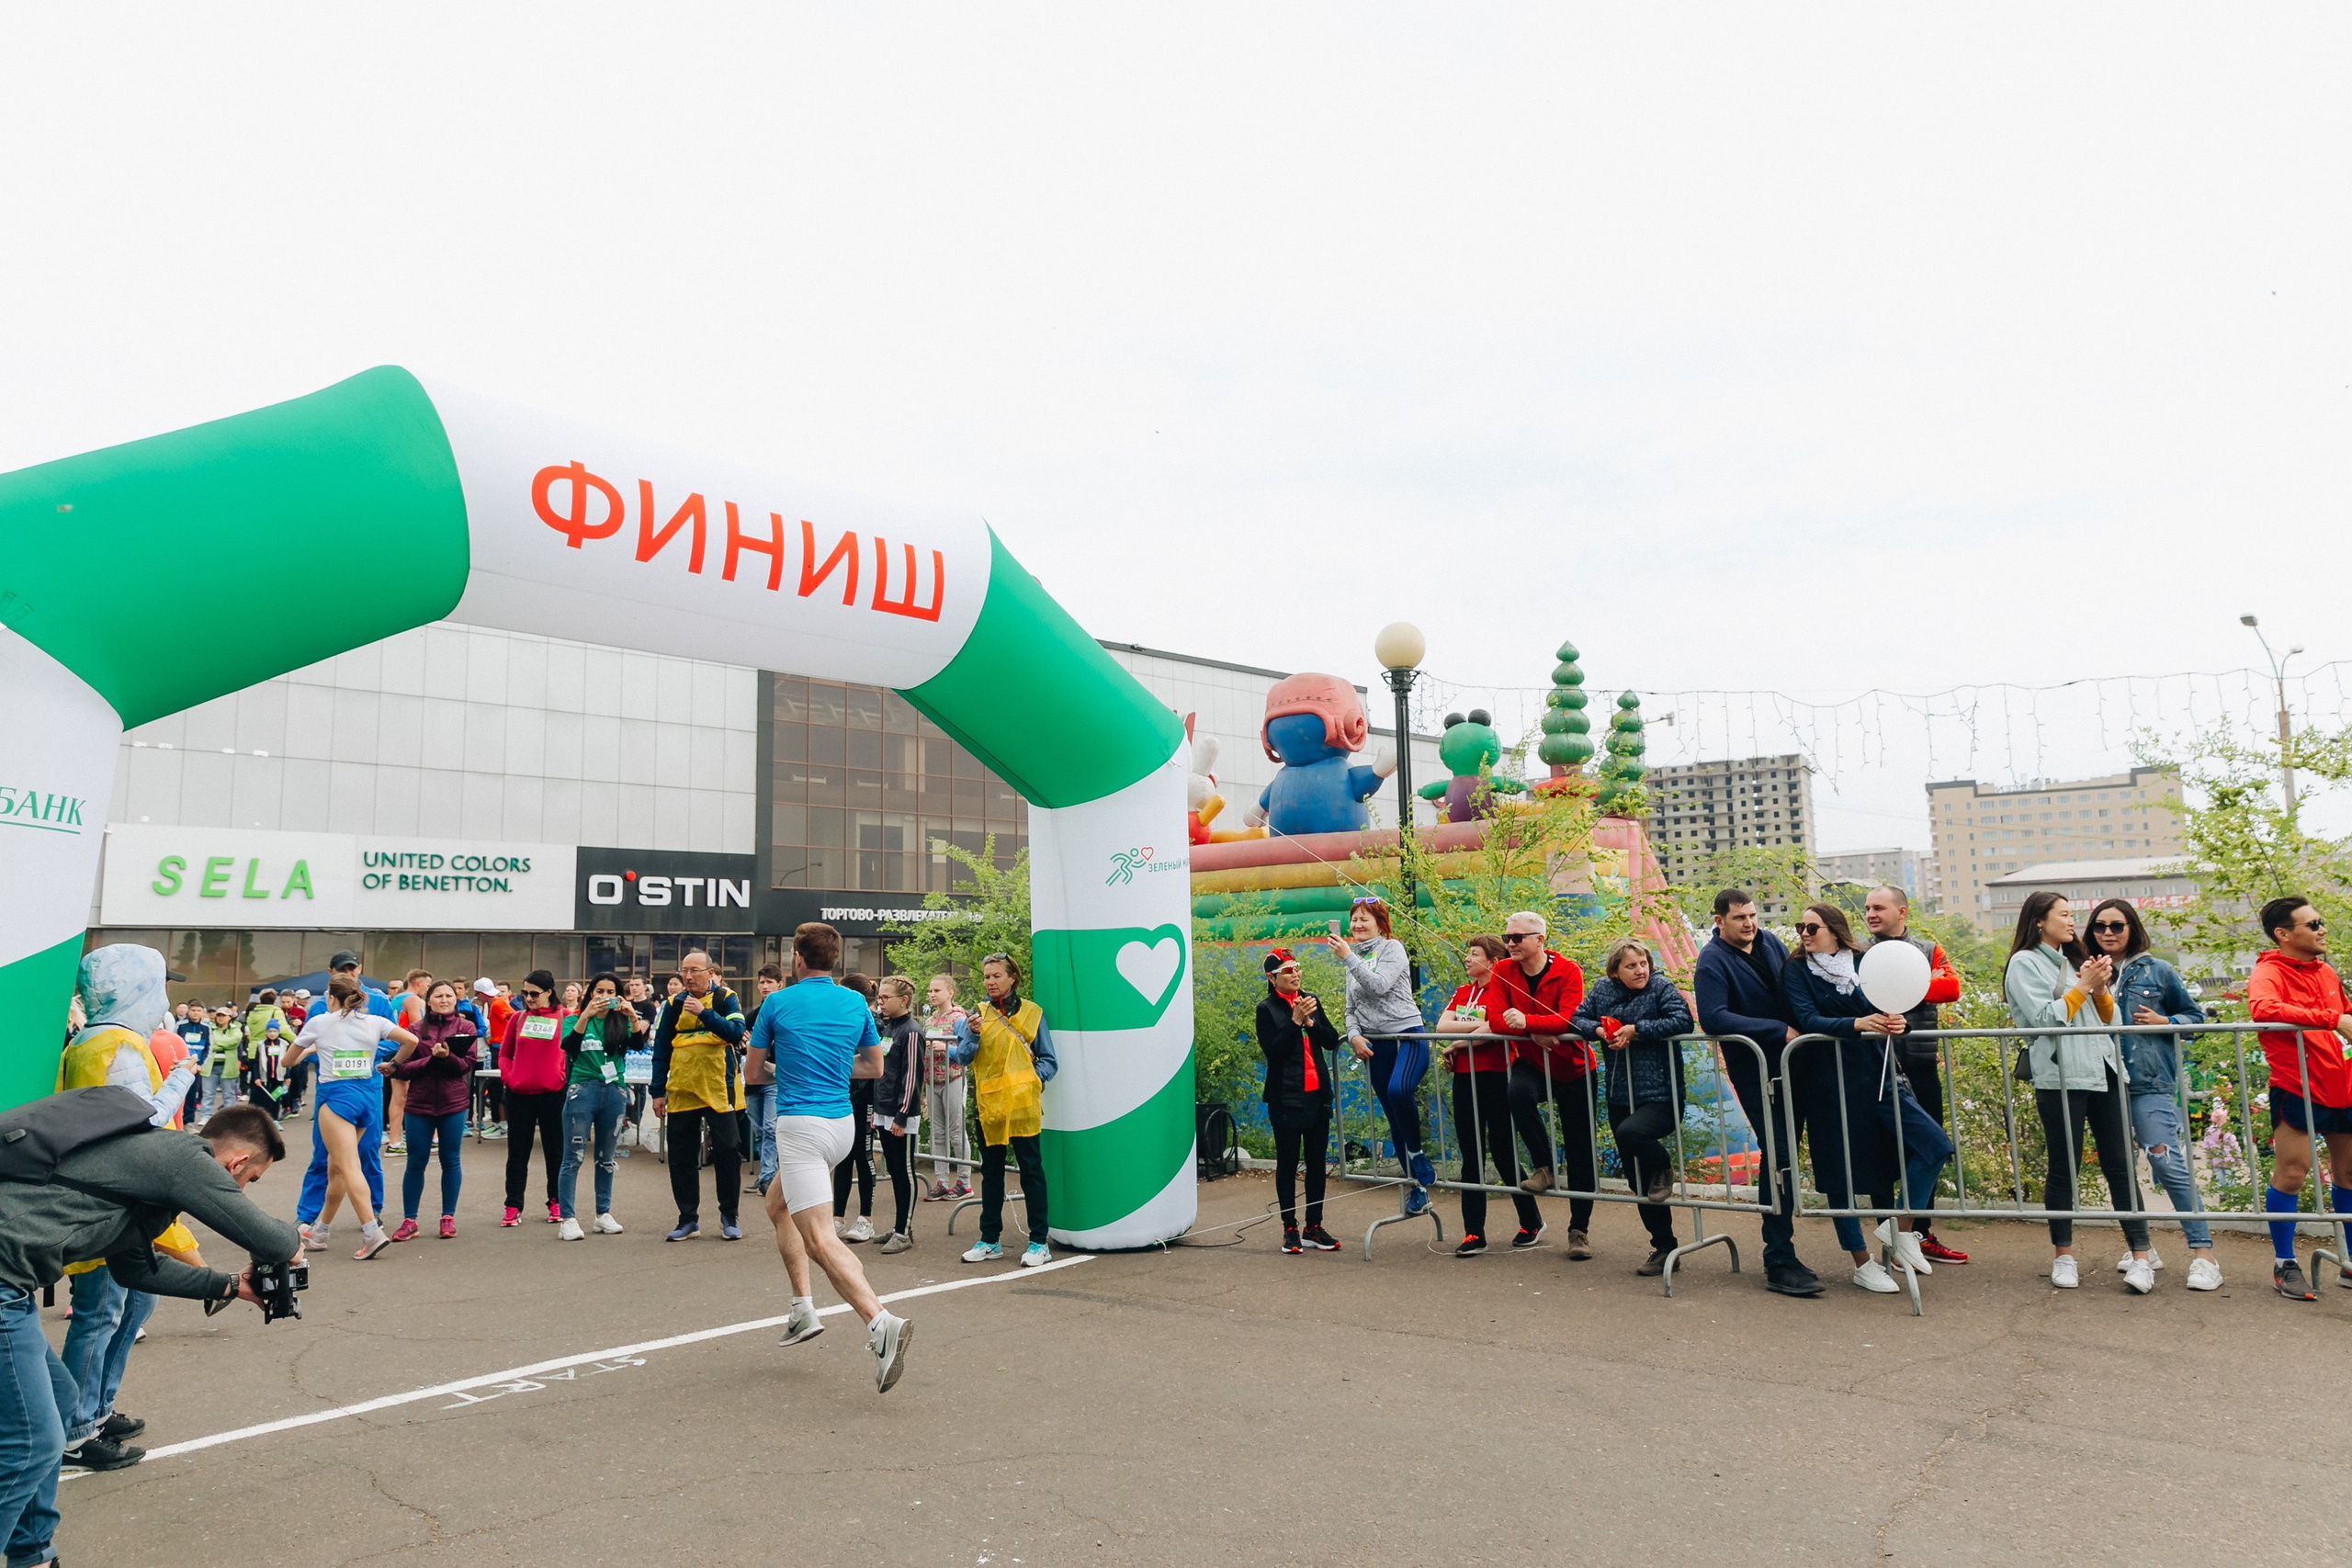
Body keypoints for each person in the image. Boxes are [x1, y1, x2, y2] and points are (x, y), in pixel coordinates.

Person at [0, 1101, 300, 1568]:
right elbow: (274, 1241)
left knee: (58, 1405)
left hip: (10, 1288)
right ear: (237, 1162)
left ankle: (32, 1554)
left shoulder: (149, 1174)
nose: (242, 1189)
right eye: (251, 1179)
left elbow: (135, 1269)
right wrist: (294, 1244)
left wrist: (229, 1285)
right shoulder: (181, 1158)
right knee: (33, 1442)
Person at [51, 946, 205, 1474]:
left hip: (116, 1199)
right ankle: (77, 1430)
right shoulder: (114, 1044)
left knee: (133, 1304)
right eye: (160, 984)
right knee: (101, 1313)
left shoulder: (96, 1041)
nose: (164, 998)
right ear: (136, 988)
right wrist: (182, 1076)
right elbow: (141, 1121)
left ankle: (95, 1409)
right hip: (106, 1204)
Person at [747, 922, 913, 1392]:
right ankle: (802, 1308)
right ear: (835, 960)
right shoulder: (855, 1002)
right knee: (778, 1205)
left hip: (801, 1127)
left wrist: (786, 1069)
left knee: (820, 1240)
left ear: (797, 958)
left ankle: (881, 1322)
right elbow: (873, 1067)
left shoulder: (777, 1002)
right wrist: (830, 1071)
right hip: (841, 1125)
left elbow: (754, 1074)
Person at [1782, 903, 1954, 1295]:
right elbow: (1807, 1019)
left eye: (1812, 927)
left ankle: (1900, 1228)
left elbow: (1891, 1003)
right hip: (1827, 1079)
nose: (1804, 933)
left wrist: (1899, 1022)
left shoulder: (1864, 959)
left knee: (1935, 1145)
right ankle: (1862, 1262)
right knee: (1839, 1173)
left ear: (1834, 929)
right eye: (1800, 926)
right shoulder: (1797, 969)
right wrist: (1857, 1023)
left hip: (1878, 1072)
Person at [2002, 891, 2154, 1293]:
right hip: (2060, 1074)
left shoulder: (2076, 960)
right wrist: (2084, 985)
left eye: (2072, 915)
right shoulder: (2024, 962)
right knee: (2063, 1167)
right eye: (2064, 915)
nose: (2073, 922)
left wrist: (2099, 988)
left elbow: (2111, 1020)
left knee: (2121, 1166)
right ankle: (2064, 1256)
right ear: (2039, 921)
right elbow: (2042, 1020)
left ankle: (2141, 1258)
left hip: (2104, 1070)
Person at [2084, 897, 2221, 1291]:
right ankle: (2142, 1248)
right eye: (2099, 926)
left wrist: (2166, 1020)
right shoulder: (2087, 970)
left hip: (2149, 1080)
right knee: (2120, 1169)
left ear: (2132, 929)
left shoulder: (2158, 970)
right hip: (2102, 1081)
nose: (2108, 933)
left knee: (2165, 1161)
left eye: (2117, 926)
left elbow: (2195, 1020)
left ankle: (2204, 1255)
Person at [1693, 888, 1824, 1297]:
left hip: (1795, 1065)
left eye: (1752, 915)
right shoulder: (1711, 960)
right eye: (1739, 918)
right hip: (1757, 1073)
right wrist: (1777, 1030)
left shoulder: (1769, 942)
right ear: (1719, 921)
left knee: (1788, 1156)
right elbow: (1713, 1017)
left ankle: (1786, 1251)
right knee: (1779, 1155)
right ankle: (1778, 1258)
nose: (1749, 923)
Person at [2245, 896, 2352, 1301]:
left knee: (2349, 1175)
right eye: (2314, 924)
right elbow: (2263, 1008)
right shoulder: (2268, 971)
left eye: (2321, 922)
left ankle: (2349, 1263)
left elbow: (2347, 1020)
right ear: (2284, 934)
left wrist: (2340, 1021)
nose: (2323, 929)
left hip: (2343, 1085)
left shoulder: (2326, 971)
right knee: (2293, 1172)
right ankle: (2284, 1263)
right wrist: (2332, 1019)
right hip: (2297, 1086)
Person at [1571, 939, 1695, 1275]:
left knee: (1631, 1134)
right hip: (1619, 1095)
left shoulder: (1660, 986)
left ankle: (1664, 1166)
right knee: (1638, 1181)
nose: (1640, 970)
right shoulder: (1602, 989)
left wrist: (1636, 1030)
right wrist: (1600, 1030)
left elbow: (1683, 1021)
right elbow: (1576, 1019)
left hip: (1661, 1095)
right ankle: (1664, 1246)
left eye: (1643, 964)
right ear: (1615, 971)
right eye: (1631, 966)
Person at [1860, 886, 1969, 1265]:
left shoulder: (1928, 949)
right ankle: (1890, 1240)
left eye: (1879, 907)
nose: (1871, 914)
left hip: (1920, 1066)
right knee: (1881, 1157)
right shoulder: (1858, 952)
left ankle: (1919, 1234)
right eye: (1867, 908)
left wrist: (1898, 985)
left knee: (1928, 1149)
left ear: (1902, 911)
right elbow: (1858, 995)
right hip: (1878, 1068)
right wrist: (1919, 984)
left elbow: (1951, 987)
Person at [284, 976, 416, 1260]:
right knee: (337, 1168)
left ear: (331, 998)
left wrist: (310, 1049)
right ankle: (321, 1231)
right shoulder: (375, 1021)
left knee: (349, 1166)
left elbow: (287, 1061)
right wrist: (394, 1065)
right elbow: (412, 1040)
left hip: (336, 1098)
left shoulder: (320, 1022)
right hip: (367, 1097)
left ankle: (372, 1232)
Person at [1488, 909, 1592, 1251]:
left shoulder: (1568, 970)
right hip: (1532, 1061)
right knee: (1517, 1093)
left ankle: (1578, 1231)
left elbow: (1570, 1019)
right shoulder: (1503, 970)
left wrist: (1527, 1022)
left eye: (1517, 937)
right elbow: (1496, 1020)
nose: (1510, 943)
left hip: (1574, 1066)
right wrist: (1533, 1032)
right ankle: (1544, 1166)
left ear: (1539, 940)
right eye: (1507, 937)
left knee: (1580, 1149)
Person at [1434, 934, 1544, 1257]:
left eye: (1474, 954)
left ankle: (1531, 1222)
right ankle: (1474, 1233)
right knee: (1471, 1156)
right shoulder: (1463, 991)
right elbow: (1442, 1026)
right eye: (1467, 953)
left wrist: (1458, 1043)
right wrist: (1476, 1032)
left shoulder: (1503, 990)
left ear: (1493, 962)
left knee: (1503, 1152)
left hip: (1498, 1076)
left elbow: (1496, 1029)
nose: (1467, 959)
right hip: (1464, 1078)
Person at [1326, 897, 1435, 1214]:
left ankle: (1417, 1155)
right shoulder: (1354, 957)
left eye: (1365, 919)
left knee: (1399, 1090)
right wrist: (1354, 1035)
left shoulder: (1392, 949)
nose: (1357, 925)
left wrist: (1348, 958)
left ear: (1380, 924)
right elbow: (1351, 1007)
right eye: (1354, 919)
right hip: (1376, 1045)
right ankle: (1418, 1188)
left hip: (1407, 1036)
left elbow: (1380, 985)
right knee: (1393, 1117)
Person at [948, 953, 1057, 1266]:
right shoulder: (976, 1015)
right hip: (989, 1106)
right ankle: (989, 1239)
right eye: (987, 976)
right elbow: (963, 1058)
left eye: (997, 975)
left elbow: (1049, 1060)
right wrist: (973, 1035)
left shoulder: (1032, 1013)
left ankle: (1039, 1242)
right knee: (991, 1174)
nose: (991, 982)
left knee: (1031, 1171)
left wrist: (1033, 1080)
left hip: (1022, 1106)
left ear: (1013, 978)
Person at [650, 952, 749, 1241]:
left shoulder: (726, 998)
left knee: (728, 1150)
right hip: (682, 1088)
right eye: (685, 971)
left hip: (719, 1087)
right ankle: (688, 1219)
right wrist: (657, 1091)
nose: (688, 976)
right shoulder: (672, 1004)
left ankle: (729, 1216)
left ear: (710, 973)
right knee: (681, 1155)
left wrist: (703, 1013)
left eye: (695, 970)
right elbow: (661, 1049)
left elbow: (736, 1032)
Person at [292, 953, 394, 1225]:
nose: (348, 973)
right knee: (323, 1154)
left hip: (368, 1087)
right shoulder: (320, 1007)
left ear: (360, 969)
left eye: (352, 968)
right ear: (330, 972)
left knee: (368, 1151)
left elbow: (396, 1041)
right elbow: (307, 1046)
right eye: (342, 969)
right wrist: (329, 1053)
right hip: (332, 1090)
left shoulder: (379, 1001)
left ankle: (372, 1211)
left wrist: (367, 1052)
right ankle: (307, 1216)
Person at [1256, 949, 1341, 1254]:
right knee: (1288, 1162)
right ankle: (1289, 1228)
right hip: (1286, 1097)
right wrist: (1294, 1022)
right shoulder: (1266, 1009)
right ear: (1272, 978)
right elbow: (1273, 1052)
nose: (1295, 974)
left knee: (1317, 1163)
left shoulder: (1309, 1000)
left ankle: (1313, 1226)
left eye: (1297, 968)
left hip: (1317, 1095)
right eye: (1288, 971)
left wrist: (1311, 1024)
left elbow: (1331, 1040)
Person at [385, 981, 479, 1241]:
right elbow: (402, 1069)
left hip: (453, 1103)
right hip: (419, 1104)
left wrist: (447, 1057)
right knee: (415, 1162)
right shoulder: (415, 1030)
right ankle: (409, 1220)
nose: (444, 1000)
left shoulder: (466, 1028)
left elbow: (466, 1065)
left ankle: (448, 1218)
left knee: (451, 1160)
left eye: (449, 995)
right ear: (428, 1000)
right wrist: (431, 1060)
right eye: (438, 996)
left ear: (456, 1000)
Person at [557, 972, 641, 1240]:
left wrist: (632, 1016)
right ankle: (568, 1218)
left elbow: (638, 1044)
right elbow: (569, 1046)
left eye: (610, 992)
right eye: (599, 991)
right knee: (573, 1157)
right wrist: (586, 1015)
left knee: (606, 1158)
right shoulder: (574, 1019)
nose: (604, 997)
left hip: (614, 1090)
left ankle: (602, 1214)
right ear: (590, 993)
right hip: (582, 1090)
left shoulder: (621, 1020)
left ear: (618, 996)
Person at [497, 970, 571, 1227]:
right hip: (519, 1095)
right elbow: (504, 1054)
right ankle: (513, 1205)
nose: (528, 998)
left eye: (534, 994)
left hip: (553, 1094)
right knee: (517, 1153)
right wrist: (509, 1077)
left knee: (555, 1151)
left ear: (549, 992)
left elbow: (575, 1051)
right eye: (524, 993)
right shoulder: (517, 1018)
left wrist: (563, 1075)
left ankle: (556, 1201)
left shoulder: (565, 1017)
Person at [871, 976, 926, 1253]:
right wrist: (877, 1111)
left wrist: (902, 1115)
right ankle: (899, 1225)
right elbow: (882, 1071)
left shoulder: (911, 1031)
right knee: (893, 1169)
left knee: (904, 1171)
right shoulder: (889, 1028)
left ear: (903, 1000)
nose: (880, 1002)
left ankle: (904, 1232)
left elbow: (912, 1076)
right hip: (885, 1109)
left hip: (900, 1113)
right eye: (879, 997)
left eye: (885, 997)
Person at [831, 972, 883, 1241]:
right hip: (845, 1095)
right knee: (843, 1157)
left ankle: (866, 1218)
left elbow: (875, 1064)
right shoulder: (844, 1018)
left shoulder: (873, 1022)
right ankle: (837, 1218)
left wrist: (877, 1106)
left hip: (866, 1098)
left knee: (863, 1156)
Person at [922, 974, 972, 1199]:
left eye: (937, 991)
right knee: (938, 1133)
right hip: (931, 1080)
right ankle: (941, 1181)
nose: (932, 995)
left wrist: (946, 1049)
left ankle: (965, 1182)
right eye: (930, 991)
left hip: (953, 1078)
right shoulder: (929, 1020)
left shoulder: (959, 1018)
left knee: (956, 1131)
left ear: (950, 993)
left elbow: (967, 1050)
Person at [743, 963, 785, 1198]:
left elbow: (781, 1047)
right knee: (759, 1130)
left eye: (770, 982)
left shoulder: (784, 1012)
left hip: (774, 1078)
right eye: (762, 982)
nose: (765, 986)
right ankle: (766, 1174)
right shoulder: (752, 1015)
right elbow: (746, 1047)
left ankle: (768, 1176)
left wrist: (760, 1046)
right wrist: (750, 1046)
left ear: (780, 985)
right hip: (753, 1080)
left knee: (771, 1128)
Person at [382, 968, 432, 1156]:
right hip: (406, 1051)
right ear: (418, 983)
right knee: (408, 1096)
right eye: (427, 985)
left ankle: (396, 1140)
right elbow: (418, 1028)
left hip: (393, 1049)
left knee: (398, 1097)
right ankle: (399, 1141)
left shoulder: (395, 999)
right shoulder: (412, 1000)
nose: (427, 989)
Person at [241, 987, 298, 1118]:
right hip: (270, 1051)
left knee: (257, 1083)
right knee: (276, 1084)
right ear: (274, 1001)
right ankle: (273, 1114)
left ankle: (253, 1113)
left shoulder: (253, 1011)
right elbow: (283, 1030)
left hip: (254, 1049)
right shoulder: (275, 1011)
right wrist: (298, 1042)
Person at [199, 1004, 243, 1122]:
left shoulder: (235, 1029)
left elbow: (234, 1041)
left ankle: (230, 1118)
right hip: (211, 1066)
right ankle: (205, 1116)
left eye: (223, 1015)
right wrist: (223, 1043)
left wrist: (217, 1043)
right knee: (208, 1093)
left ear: (229, 1017)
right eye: (218, 1015)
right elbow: (210, 1043)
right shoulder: (209, 1028)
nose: (220, 1018)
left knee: (229, 1094)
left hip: (228, 1066)